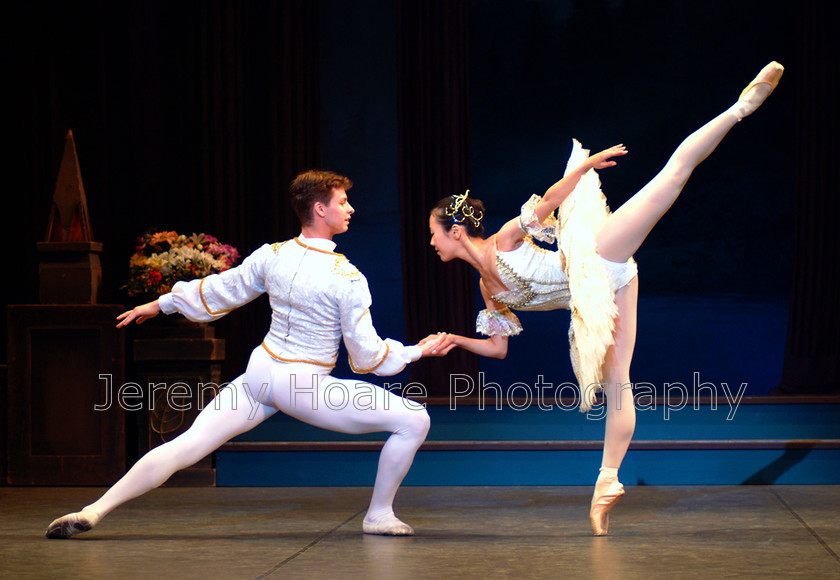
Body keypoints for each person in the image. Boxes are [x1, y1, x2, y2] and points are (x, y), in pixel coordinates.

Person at [426, 62, 784, 535]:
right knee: (619, 383)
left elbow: (547, 203)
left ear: (454, 232)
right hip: (603, 293)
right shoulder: (488, 291)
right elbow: (497, 348)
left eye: (434, 234)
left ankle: (741, 107)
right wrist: (455, 338)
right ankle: (608, 482)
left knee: (671, 177)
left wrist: (585, 168)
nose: (431, 244)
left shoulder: (505, 241)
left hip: (596, 257)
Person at [46, 170, 447, 539]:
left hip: (259, 374)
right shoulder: (347, 277)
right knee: (414, 419)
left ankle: (94, 510)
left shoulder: (272, 254)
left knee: (188, 444)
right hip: (300, 385)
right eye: (343, 202)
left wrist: (162, 303)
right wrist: (415, 351)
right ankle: (378, 514)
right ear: (320, 209)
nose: (351, 209)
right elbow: (366, 354)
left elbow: (224, 289)